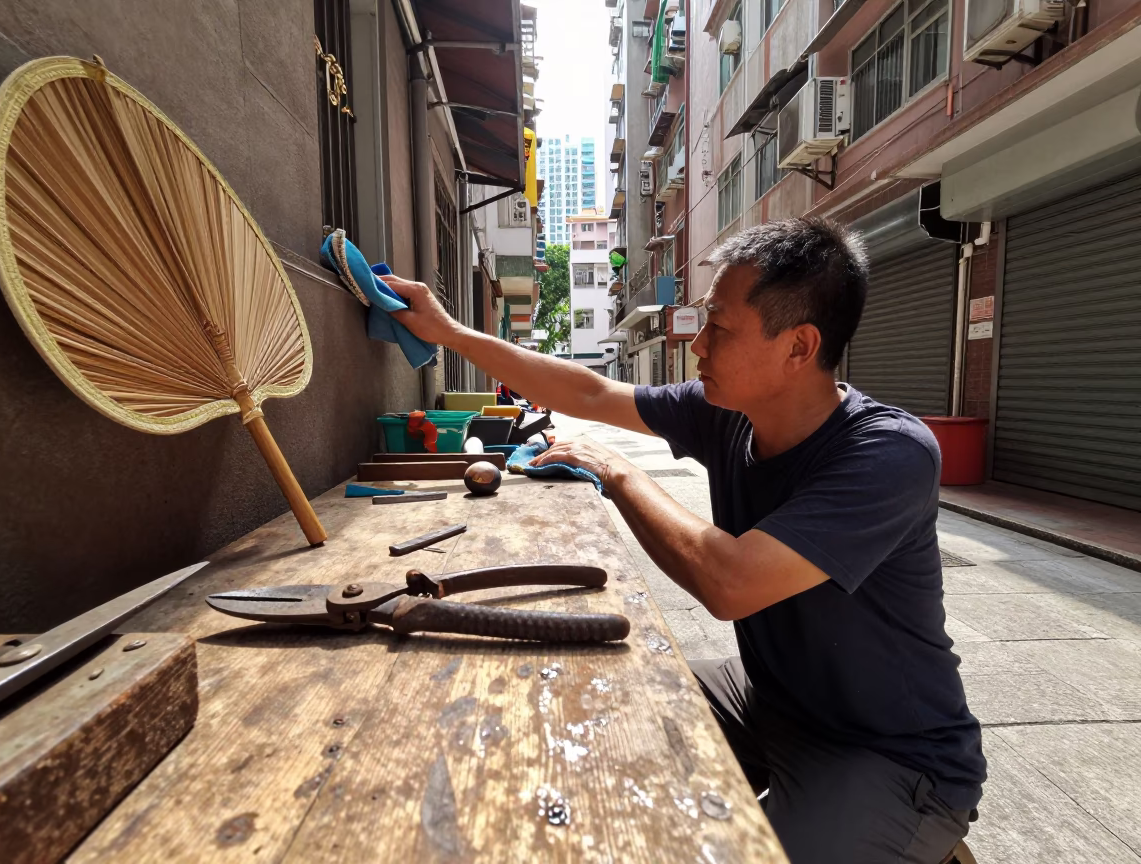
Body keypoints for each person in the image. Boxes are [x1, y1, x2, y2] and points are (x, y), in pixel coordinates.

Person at [384, 218, 985, 864]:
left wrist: (614, 471)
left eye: (718, 328)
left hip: (894, 757)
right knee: (602, 720)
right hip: (773, 700)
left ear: (798, 347)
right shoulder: (726, 412)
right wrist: (447, 332)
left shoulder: (889, 454)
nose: (697, 345)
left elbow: (731, 582)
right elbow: (590, 390)